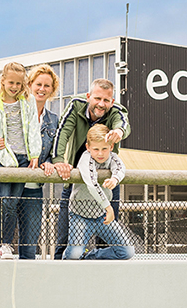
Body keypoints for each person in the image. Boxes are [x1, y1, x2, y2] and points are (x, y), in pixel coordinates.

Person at [52, 78, 130, 259]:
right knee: (64, 240)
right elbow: (62, 132)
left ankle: (98, 274)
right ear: (88, 97)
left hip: (106, 184)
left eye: (106, 100)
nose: (101, 104)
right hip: (76, 185)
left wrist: (119, 131)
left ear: (112, 101)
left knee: (107, 241)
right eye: (97, 98)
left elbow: (123, 124)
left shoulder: (116, 111)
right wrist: (58, 160)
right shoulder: (75, 105)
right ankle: (60, 276)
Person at [0, 62, 42, 259]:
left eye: (19, 83)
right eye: (11, 82)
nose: (15, 87)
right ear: (3, 81)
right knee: (2, 202)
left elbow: (33, 128)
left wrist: (34, 154)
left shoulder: (28, 102)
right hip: (4, 159)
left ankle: (5, 243)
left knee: (12, 203)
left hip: (23, 159)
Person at [62, 124, 134, 260]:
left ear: (111, 147)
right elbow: (92, 184)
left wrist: (115, 178)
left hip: (102, 216)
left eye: (104, 149)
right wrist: (108, 207)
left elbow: (120, 167)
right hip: (80, 216)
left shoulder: (112, 157)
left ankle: (88, 257)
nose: (100, 153)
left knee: (127, 252)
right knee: (74, 255)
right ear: (88, 148)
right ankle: (71, 258)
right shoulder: (85, 159)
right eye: (96, 149)